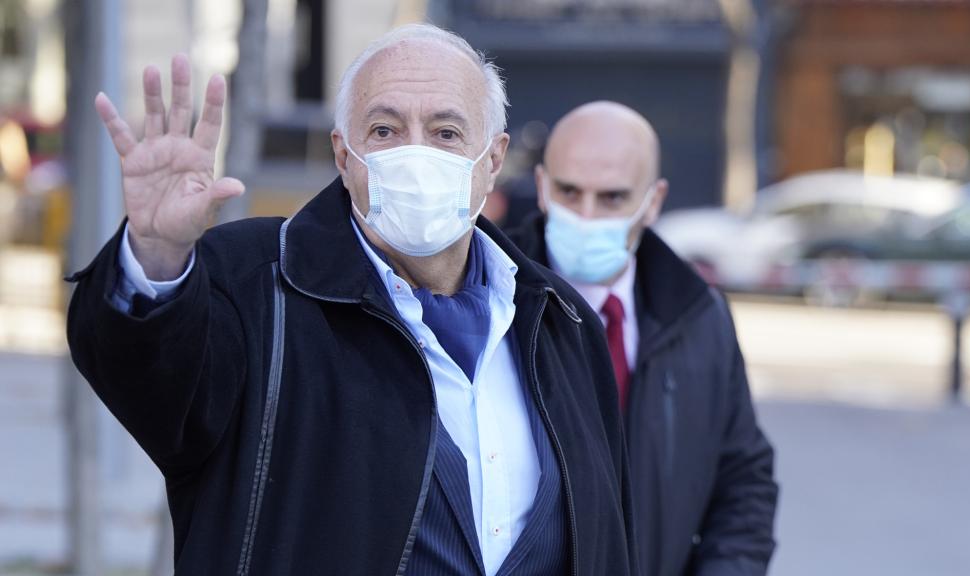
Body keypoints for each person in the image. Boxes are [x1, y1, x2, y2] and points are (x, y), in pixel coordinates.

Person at [67, 25, 638, 575]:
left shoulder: (559, 321)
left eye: (445, 133)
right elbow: (154, 384)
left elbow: (605, 537)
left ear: (491, 160)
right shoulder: (255, 285)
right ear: (344, 156)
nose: (415, 156)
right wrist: (158, 252)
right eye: (385, 131)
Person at [510, 101, 778, 576]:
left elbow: (743, 480)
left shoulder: (699, 316)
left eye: (612, 198)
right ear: (542, 187)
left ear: (652, 202)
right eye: (569, 192)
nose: (586, 215)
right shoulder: (490, 303)